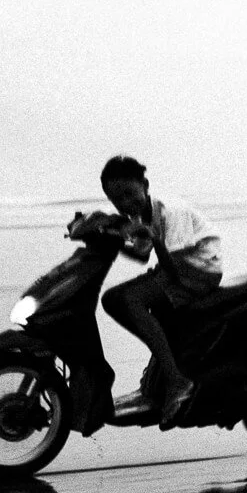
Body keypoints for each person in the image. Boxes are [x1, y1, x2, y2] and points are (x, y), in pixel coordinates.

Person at [99, 155, 223, 428]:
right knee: (112, 299)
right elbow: (142, 255)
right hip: (176, 268)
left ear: (144, 184)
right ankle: (163, 371)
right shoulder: (138, 214)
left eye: (130, 195)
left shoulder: (170, 210)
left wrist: (151, 238)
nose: (124, 204)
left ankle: (177, 380)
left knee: (129, 300)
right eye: (116, 199)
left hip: (199, 269)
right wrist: (109, 236)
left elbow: (174, 264)